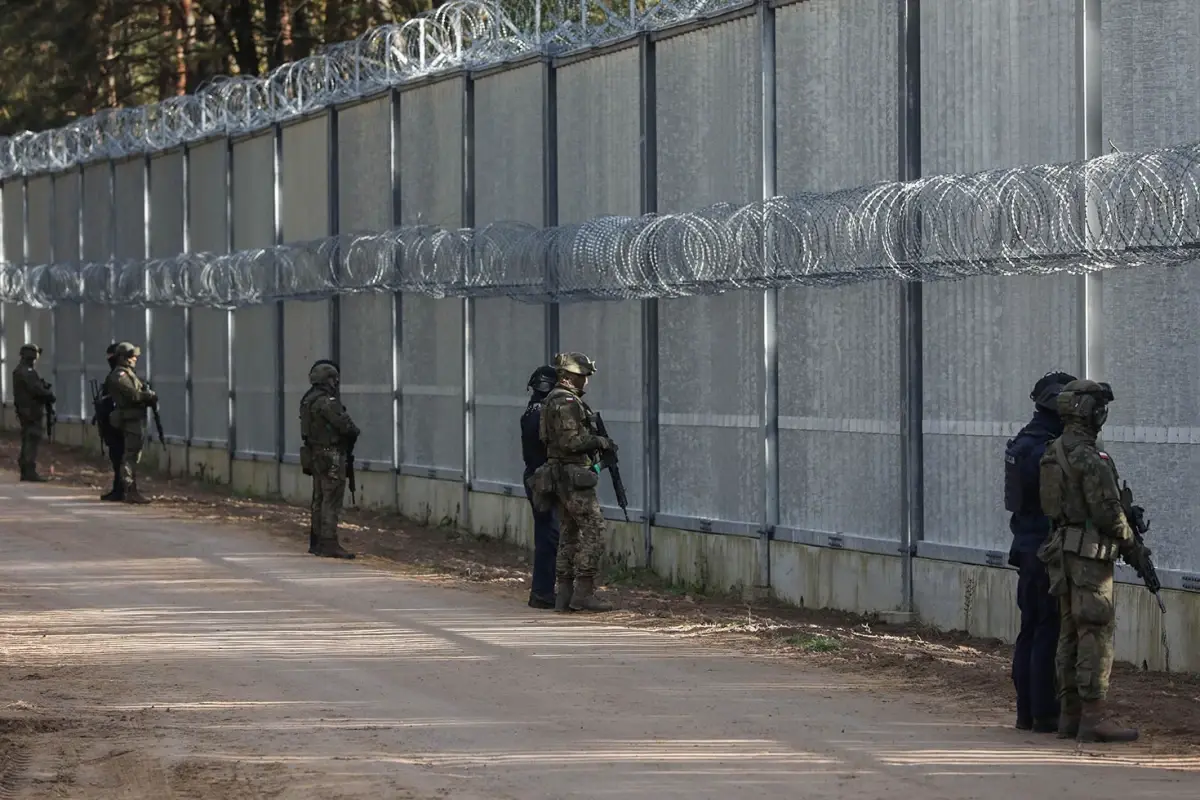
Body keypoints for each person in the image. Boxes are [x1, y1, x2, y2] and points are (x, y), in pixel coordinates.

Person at [1038, 379, 1150, 743]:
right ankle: (1094, 717)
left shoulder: (1053, 451)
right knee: (1095, 632)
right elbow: (1108, 514)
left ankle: (1069, 716)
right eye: (1100, 407)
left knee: (1069, 632)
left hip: (1062, 552)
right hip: (1089, 558)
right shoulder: (1091, 458)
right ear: (1089, 412)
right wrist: (1133, 545)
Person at [1004, 370, 1075, 733]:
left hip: (1025, 547)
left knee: (1030, 628)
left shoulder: (1024, 442)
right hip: (1045, 550)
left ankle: (1026, 712)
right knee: (1048, 628)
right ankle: (1044, 712)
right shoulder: (1048, 447)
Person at [536, 351, 616, 613]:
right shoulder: (567, 402)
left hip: (561, 475)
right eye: (582, 376)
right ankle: (583, 591)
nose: (586, 381)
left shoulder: (552, 400)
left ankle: (565, 594)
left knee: (569, 533)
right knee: (594, 529)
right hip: (572, 476)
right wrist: (600, 441)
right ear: (569, 376)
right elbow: (572, 442)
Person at [299, 361, 358, 559]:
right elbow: (346, 426)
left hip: (315, 454)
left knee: (319, 498)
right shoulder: (327, 401)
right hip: (331, 455)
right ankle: (329, 542)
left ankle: (316, 542)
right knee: (331, 498)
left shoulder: (308, 400)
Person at [521, 365, 562, 609]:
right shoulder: (541, 414)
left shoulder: (531, 411)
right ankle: (544, 592)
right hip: (543, 479)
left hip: (535, 477)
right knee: (550, 536)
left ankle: (544, 591)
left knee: (547, 535)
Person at [103, 342, 157, 504]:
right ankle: (129, 490)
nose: (134, 359)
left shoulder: (127, 373)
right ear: (123, 358)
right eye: (131, 356)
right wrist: (148, 396)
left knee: (132, 455)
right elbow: (132, 395)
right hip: (130, 419)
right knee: (130, 456)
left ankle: (127, 489)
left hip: (133, 418)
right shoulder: (120, 375)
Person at [12, 343, 55, 482]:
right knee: (32, 438)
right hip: (31, 412)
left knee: (28, 438)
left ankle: (26, 469)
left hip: (26, 411)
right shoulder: (27, 371)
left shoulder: (21, 370)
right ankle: (28, 470)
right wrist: (48, 394)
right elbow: (36, 389)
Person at [94, 343, 126, 500]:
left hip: (118, 424)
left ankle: (122, 489)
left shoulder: (119, 376)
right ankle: (118, 488)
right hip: (112, 423)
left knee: (120, 457)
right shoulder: (114, 375)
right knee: (116, 457)